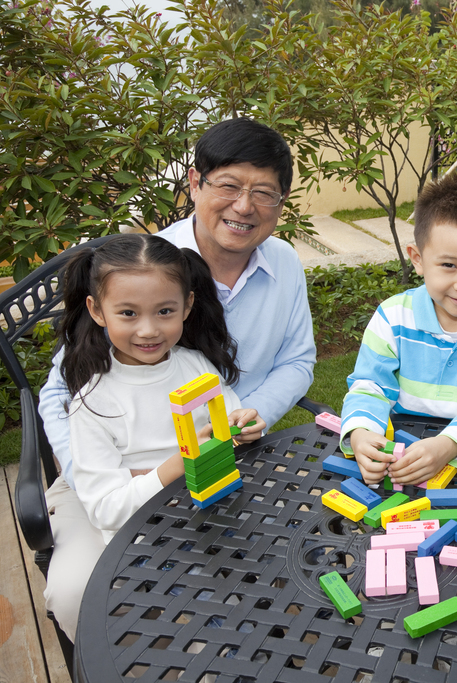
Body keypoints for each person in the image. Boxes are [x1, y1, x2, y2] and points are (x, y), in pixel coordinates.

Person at [37, 117, 315, 638]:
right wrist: (99, 478)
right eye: (229, 186)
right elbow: (61, 390)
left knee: (287, 562)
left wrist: (242, 421)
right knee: (78, 590)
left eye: (264, 193)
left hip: (221, 457)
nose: (244, 206)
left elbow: (297, 363)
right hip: (112, 466)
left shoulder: (282, 264)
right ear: (194, 182)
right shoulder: (143, 269)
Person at [44, 234, 266, 641]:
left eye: (165, 311)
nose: (148, 330)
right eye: (128, 313)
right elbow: (107, 510)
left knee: (264, 580)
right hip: (147, 534)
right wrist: (173, 469)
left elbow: (229, 420)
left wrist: (246, 424)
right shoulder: (93, 404)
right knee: (223, 618)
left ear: (188, 306)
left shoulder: (196, 365)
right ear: (96, 310)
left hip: (215, 508)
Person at [339, 173, 457, 485]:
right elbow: (370, 386)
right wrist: (361, 433)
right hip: (398, 450)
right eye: (449, 265)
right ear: (418, 259)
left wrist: (447, 445)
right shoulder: (392, 316)